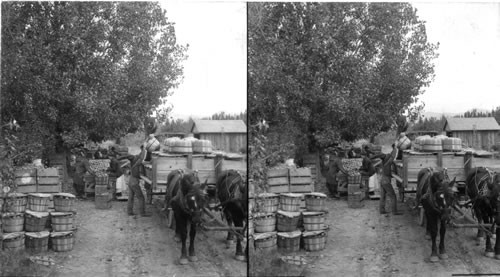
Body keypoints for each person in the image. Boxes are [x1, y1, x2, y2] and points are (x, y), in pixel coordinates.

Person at [372, 144, 403, 215]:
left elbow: (393, 154)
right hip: (386, 181)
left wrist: (394, 147)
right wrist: (395, 148)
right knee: (393, 196)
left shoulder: (386, 159)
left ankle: (382, 210)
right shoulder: (388, 158)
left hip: (382, 180)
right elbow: (393, 154)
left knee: (383, 196)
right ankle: (394, 211)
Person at [125, 142, 151, 217]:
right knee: (141, 197)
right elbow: (142, 157)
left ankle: (129, 212)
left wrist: (143, 149)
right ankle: (142, 213)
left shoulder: (134, 160)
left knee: (131, 197)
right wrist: (145, 148)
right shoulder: (137, 161)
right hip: (134, 182)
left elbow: (141, 155)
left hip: (131, 181)